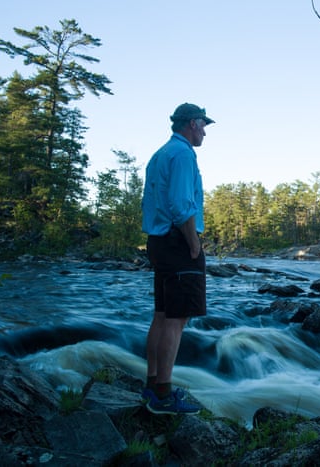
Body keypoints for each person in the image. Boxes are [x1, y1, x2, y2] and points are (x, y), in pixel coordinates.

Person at [141, 103, 214, 414]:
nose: (205, 132)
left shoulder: (160, 154)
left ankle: (152, 385)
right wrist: (193, 242)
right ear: (192, 123)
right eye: (203, 125)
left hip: (158, 242)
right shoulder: (183, 154)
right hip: (177, 242)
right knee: (177, 319)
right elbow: (181, 204)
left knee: (161, 314)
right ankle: (164, 396)